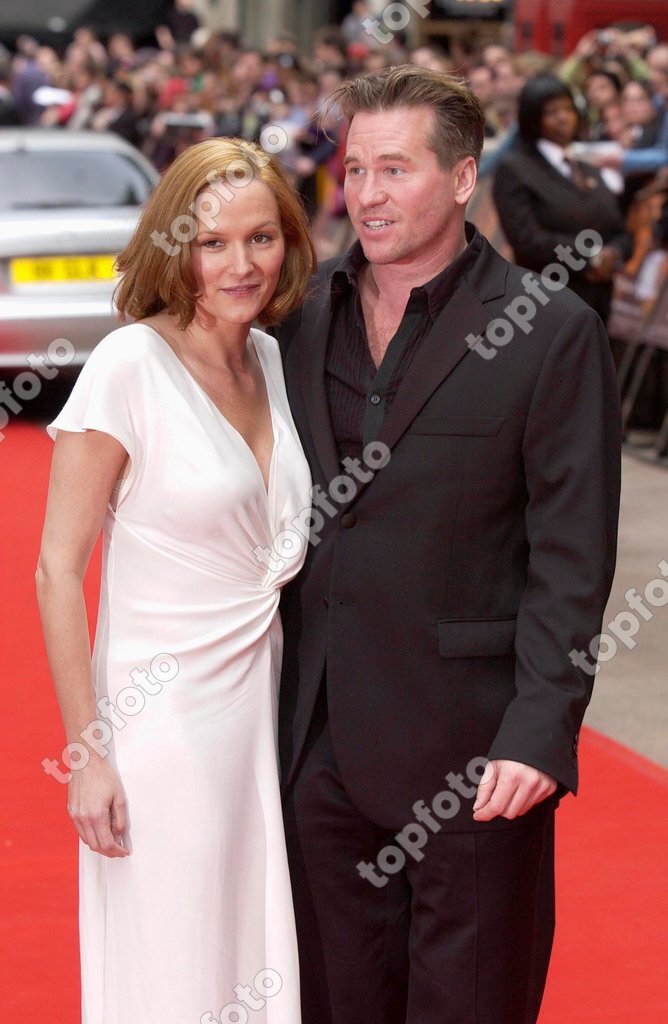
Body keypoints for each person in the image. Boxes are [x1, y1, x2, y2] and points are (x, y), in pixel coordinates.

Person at [273, 66, 621, 1024]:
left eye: (397, 169)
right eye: (355, 169)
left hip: (476, 762)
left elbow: (572, 557)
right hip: (317, 751)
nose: (369, 195)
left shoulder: (551, 332)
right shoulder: (300, 323)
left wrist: (540, 731)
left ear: (464, 179)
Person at [36, 137, 316, 1023]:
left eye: (262, 238)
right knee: (177, 956)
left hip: (262, 712)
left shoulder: (270, 360)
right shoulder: (130, 366)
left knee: (250, 945)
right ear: (175, 247)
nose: (242, 265)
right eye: (213, 242)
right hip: (162, 723)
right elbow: (55, 569)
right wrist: (89, 755)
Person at [492, 74, 631, 323]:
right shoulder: (515, 169)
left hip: (597, 303)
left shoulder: (586, 166)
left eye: (568, 108)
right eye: (551, 111)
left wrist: (615, 253)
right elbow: (527, 240)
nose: (563, 117)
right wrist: (591, 258)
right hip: (544, 303)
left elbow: (618, 229)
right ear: (532, 118)